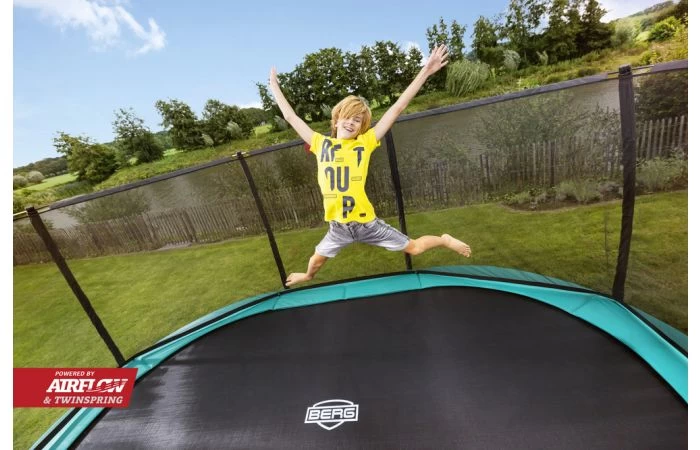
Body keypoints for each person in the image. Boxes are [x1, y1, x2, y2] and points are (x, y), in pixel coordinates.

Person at [269, 44, 471, 287]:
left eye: (358, 120)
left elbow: (397, 108)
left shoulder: (364, 143)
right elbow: (291, 117)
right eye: (348, 117)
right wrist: (274, 86)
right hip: (338, 228)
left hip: (367, 224)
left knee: (415, 248)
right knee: (316, 261)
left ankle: (445, 239)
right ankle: (307, 276)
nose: (352, 123)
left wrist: (426, 71)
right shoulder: (319, 143)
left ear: (362, 127)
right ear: (337, 119)